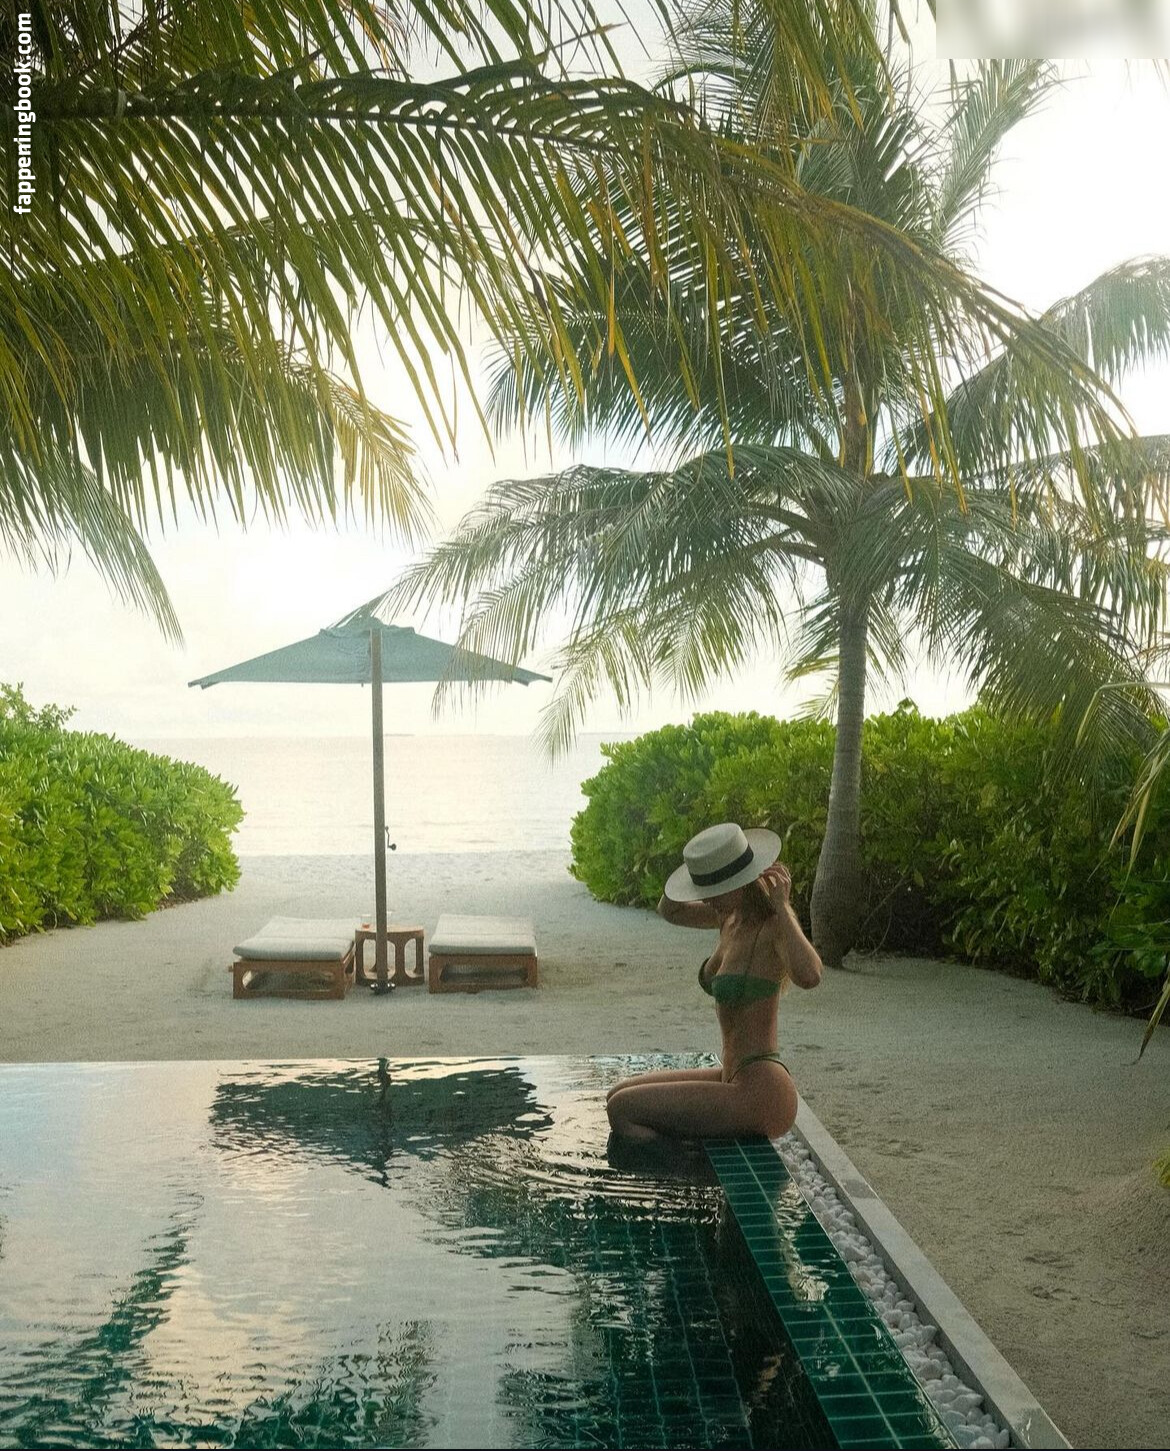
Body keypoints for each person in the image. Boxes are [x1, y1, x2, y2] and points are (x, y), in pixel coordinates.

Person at [606, 822, 822, 1144]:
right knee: (617, 1093)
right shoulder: (726, 917)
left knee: (622, 1109)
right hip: (731, 1075)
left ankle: (687, 1167)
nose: (706, 899)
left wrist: (782, 905)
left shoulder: (773, 927)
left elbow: (811, 975)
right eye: (703, 890)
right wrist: (698, 866)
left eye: (714, 890)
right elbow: (670, 910)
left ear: (740, 881)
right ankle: (689, 1153)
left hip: (763, 1089)